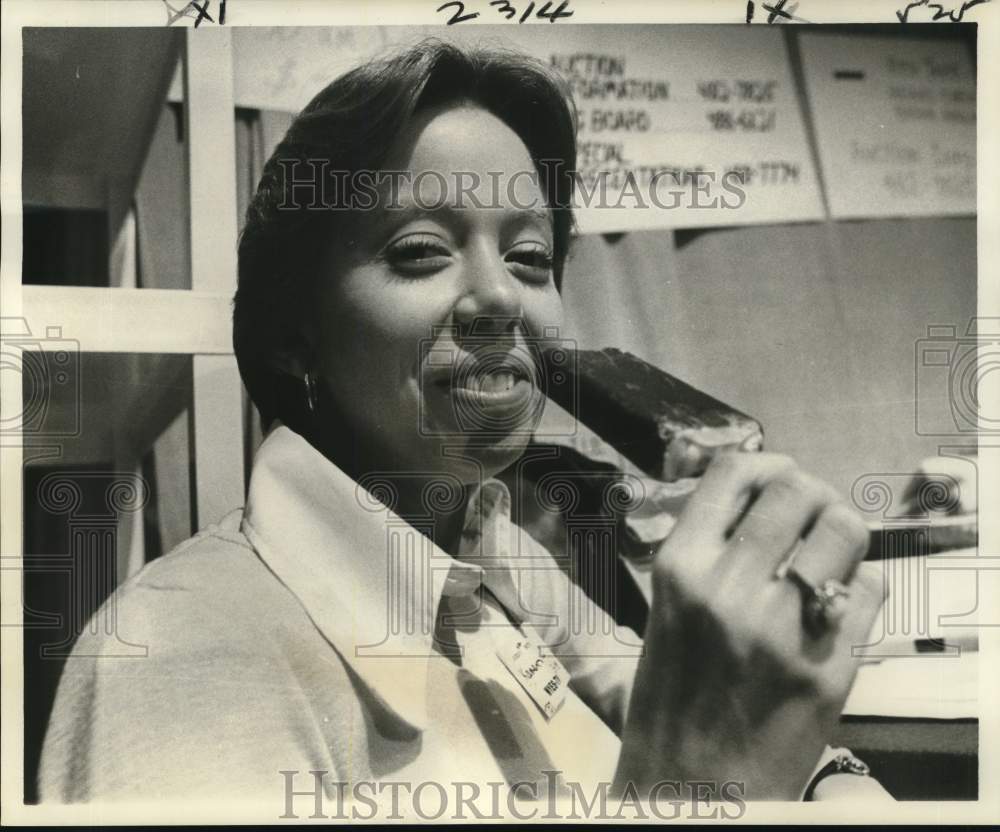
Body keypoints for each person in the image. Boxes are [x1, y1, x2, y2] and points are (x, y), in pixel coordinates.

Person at [39, 39, 890, 810]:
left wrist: (831, 778)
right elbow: (699, 763)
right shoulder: (178, 656)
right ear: (298, 332)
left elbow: (690, 703)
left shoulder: (489, 552)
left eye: (530, 257)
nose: (500, 298)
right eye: (419, 252)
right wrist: (692, 795)